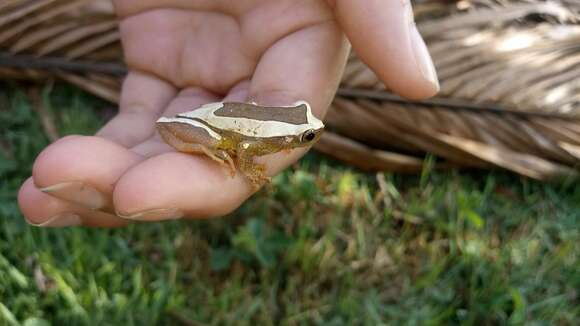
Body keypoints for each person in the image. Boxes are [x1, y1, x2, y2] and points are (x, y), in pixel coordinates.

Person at [18, 0, 439, 227]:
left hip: (217, 116)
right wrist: (241, 163)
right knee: (223, 147)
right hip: (202, 125)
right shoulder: (264, 140)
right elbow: (242, 147)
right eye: (305, 132)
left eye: (305, 127)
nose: (310, 130)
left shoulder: (270, 128)